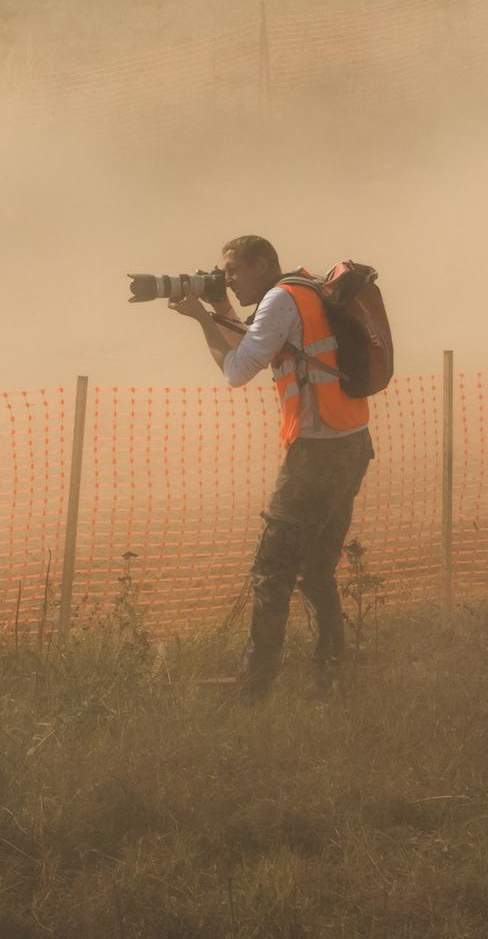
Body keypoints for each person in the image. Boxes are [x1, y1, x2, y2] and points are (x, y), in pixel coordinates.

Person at [169, 235, 372, 698]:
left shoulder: (279, 300)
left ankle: (255, 685)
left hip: (316, 454)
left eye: (234, 271)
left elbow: (239, 370)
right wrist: (219, 302)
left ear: (262, 265)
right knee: (316, 568)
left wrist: (202, 320)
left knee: (271, 570)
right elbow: (257, 346)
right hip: (352, 443)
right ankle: (331, 673)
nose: (230, 279)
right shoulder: (302, 289)